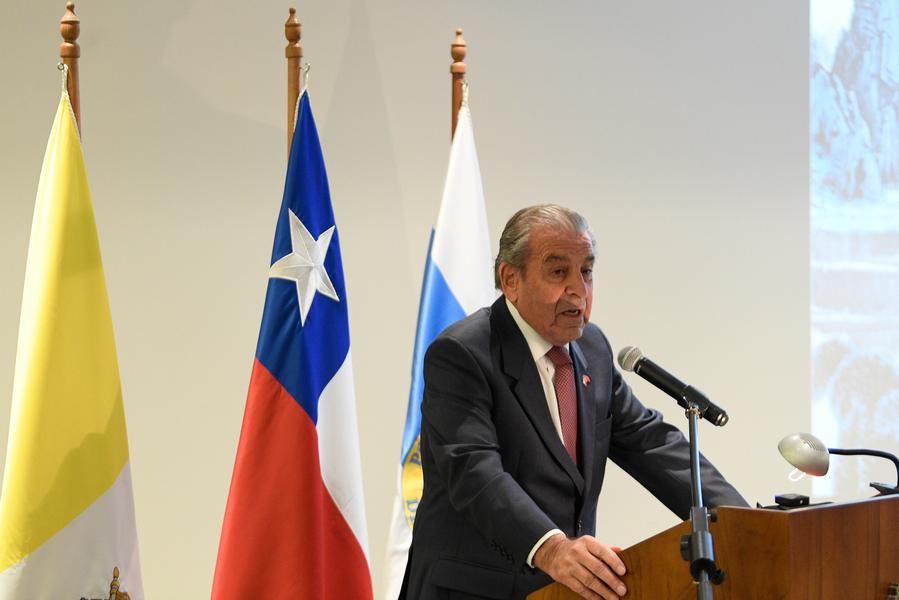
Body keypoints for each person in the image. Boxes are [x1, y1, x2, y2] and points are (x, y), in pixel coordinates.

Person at [399, 205, 748, 600]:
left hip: (560, 591)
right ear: (510, 279)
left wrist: (743, 524)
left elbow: (651, 442)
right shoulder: (463, 353)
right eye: (558, 271)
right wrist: (552, 547)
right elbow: (475, 472)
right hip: (473, 591)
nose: (578, 290)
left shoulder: (592, 348)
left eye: (586, 271)